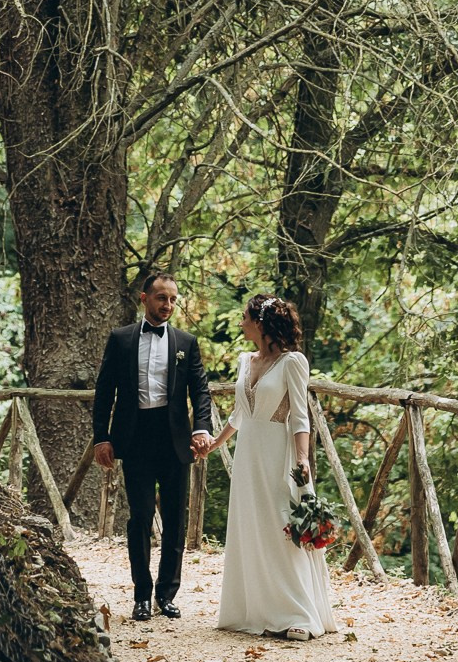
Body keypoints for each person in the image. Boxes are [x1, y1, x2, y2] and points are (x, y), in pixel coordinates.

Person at [91, 267, 215, 624]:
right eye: (162, 297)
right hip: (135, 436)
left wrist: (201, 428)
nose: (168, 305)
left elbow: (200, 391)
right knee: (140, 517)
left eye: (173, 299)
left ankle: (167, 594)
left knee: (176, 521)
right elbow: (104, 391)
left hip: (175, 438)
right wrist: (102, 436)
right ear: (144, 298)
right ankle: (141, 595)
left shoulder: (186, 342)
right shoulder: (121, 338)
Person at [209, 293, 336, 640]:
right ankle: (254, 609)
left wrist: (300, 458)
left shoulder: (293, 362)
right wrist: (216, 444)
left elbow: (299, 415)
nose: (240, 323)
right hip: (248, 453)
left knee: (283, 526)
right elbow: (239, 413)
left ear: (261, 323)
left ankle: (297, 612)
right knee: (252, 526)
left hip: (277, 452)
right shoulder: (244, 360)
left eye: (245, 318)